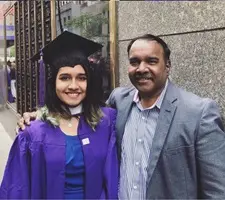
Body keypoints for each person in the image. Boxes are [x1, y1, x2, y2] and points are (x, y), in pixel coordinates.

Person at [17, 33, 225, 199]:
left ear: (167, 66)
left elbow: (217, 189)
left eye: (151, 61)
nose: (142, 68)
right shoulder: (118, 103)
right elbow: (76, 111)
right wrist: (42, 114)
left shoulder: (199, 113)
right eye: (134, 62)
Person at [0, 31, 119, 199]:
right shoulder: (32, 132)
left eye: (81, 78)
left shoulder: (106, 122)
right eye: (64, 78)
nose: (73, 85)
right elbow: (16, 188)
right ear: (53, 83)